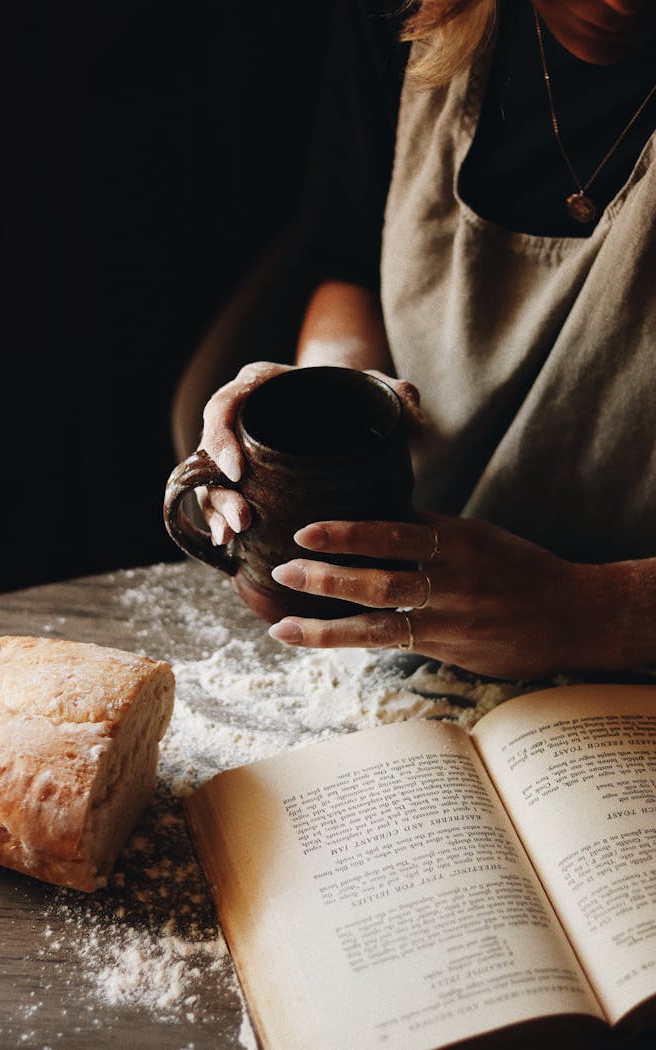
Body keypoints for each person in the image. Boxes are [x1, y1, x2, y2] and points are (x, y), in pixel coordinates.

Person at [187, 0, 656, 680]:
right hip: (419, 606)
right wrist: (330, 397)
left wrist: (594, 612)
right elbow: (350, 265)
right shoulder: (407, 14)